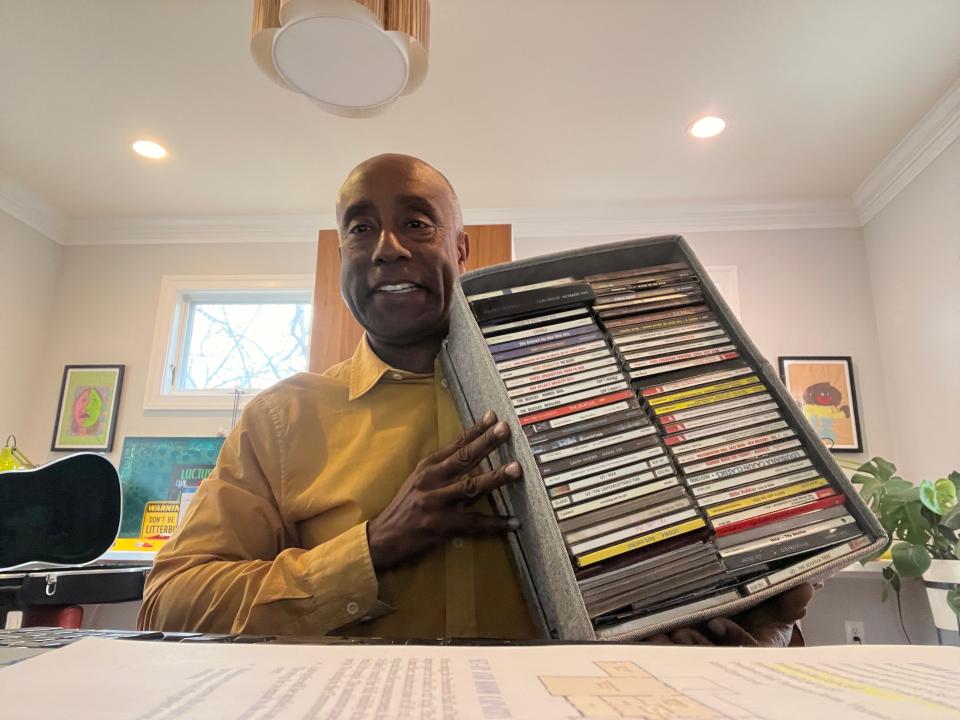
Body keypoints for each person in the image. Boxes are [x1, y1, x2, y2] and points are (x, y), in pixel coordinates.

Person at [139, 153, 813, 646]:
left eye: (418, 224)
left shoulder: (583, 391)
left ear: (462, 249)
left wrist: (749, 615)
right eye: (360, 228)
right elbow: (171, 601)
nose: (387, 249)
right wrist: (369, 549)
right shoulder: (279, 421)